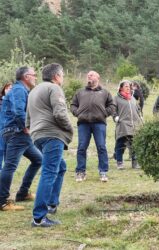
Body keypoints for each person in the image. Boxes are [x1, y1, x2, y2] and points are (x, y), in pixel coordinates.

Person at [26, 63, 73, 227]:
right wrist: (70, 128)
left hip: (37, 136)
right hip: (52, 135)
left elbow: (28, 119)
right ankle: (39, 218)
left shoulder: (33, 91)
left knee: (61, 167)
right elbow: (60, 113)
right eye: (62, 75)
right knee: (49, 172)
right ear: (56, 76)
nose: (63, 78)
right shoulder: (54, 88)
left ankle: (52, 204)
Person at [0, 67, 42, 211]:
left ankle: (23, 193)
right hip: (17, 133)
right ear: (26, 76)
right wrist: (26, 128)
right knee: (10, 166)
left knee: (38, 160)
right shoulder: (19, 89)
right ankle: (2, 201)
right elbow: (19, 111)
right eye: (34, 75)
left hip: (16, 133)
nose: (35, 77)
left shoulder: (20, 89)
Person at [71, 71, 116, 182]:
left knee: (101, 147)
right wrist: (77, 113)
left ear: (98, 78)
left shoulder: (105, 92)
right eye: (88, 75)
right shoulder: (80, 92)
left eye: (92, 75)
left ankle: (103, 172)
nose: (89, 76)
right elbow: (73, 105)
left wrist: (104, 113)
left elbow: (112, 105)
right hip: (83, 123)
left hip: (99, 123)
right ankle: (80, 172)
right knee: (81, 147)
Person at [113, 80, 143, 170]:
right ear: (121, 88)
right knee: (120, 144)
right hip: (123, 125)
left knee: (134, 145)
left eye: (129, 86)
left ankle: (135, 163)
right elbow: (113, 109)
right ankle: (119, 162)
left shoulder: (132, 98)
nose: (128, 88)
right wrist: (115, 117)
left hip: (134, 125)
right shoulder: (116, 98)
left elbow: (137, 109)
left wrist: (140, 117)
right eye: (126, 86)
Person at [0, 82, 12, 170]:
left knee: (8, 151)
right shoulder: (1, 101)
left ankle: (6, 170)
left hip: (8, 129)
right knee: (0, 149)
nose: (9, 90)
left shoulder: (15, 102)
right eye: (7, 88)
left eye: (11, 89)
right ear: (4, 89)